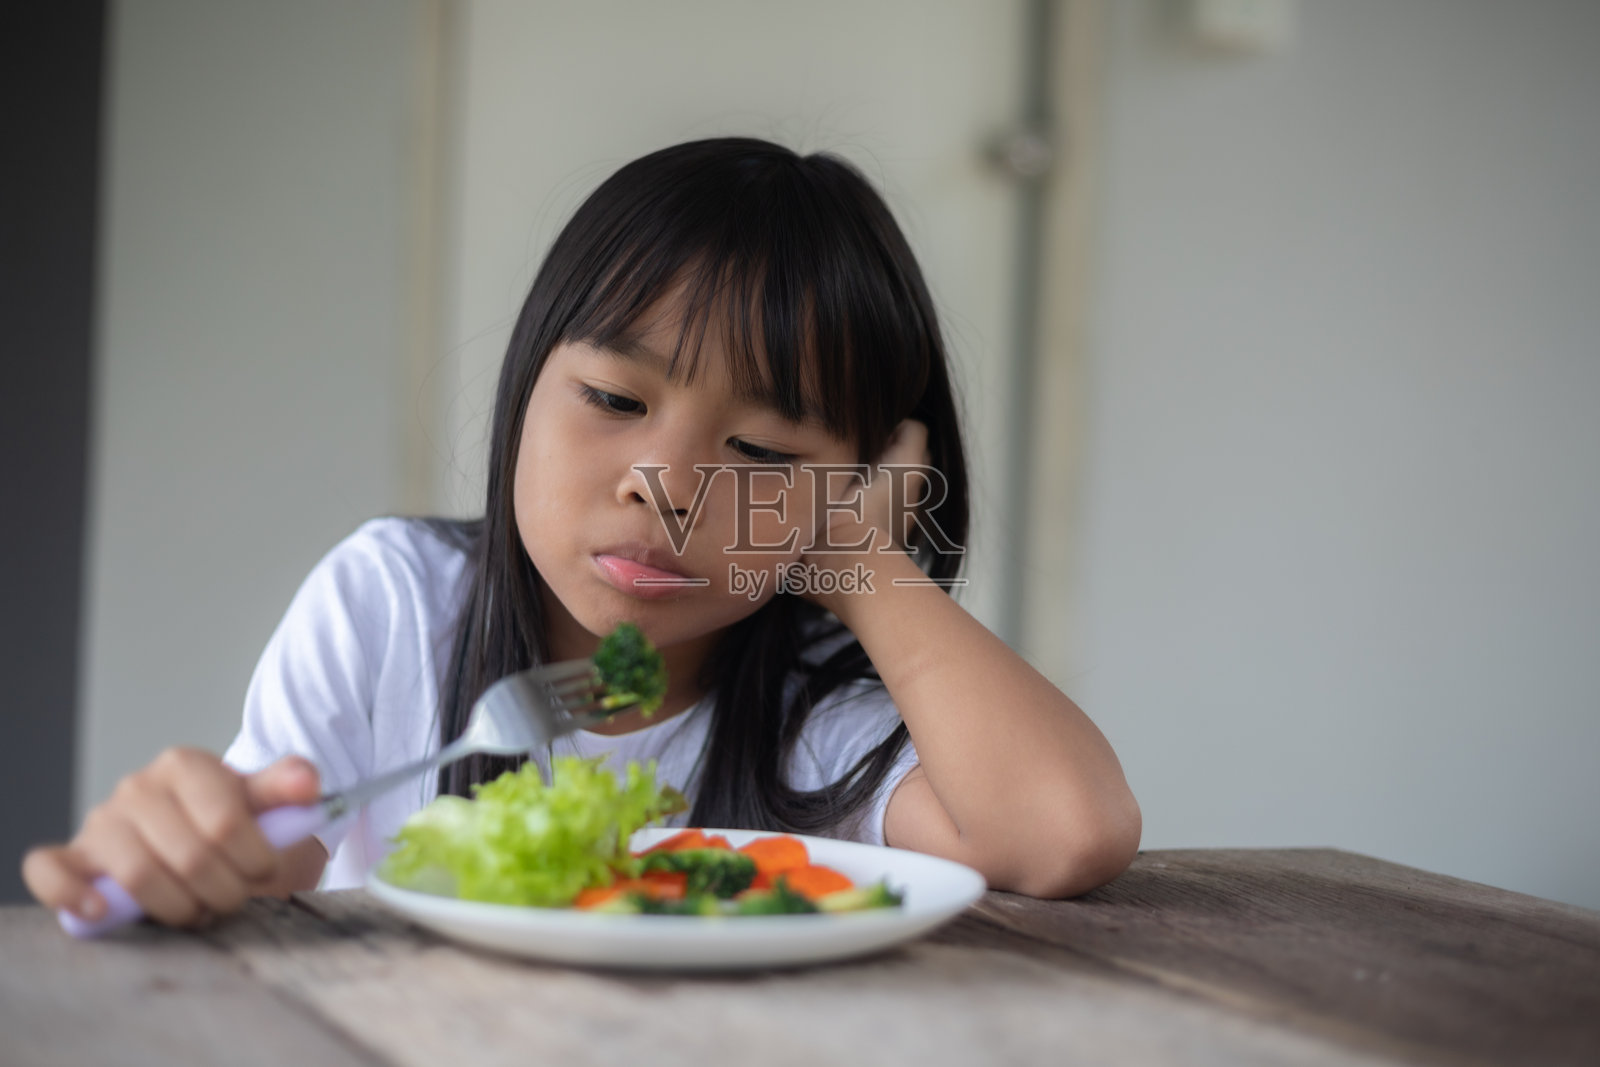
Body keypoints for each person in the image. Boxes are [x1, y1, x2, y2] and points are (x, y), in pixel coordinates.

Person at [24, 138, 1140, 927]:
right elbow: (273, 860)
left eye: (762, 457)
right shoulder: (395, 604)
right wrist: (199, 848)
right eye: (614, 400)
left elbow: (1062, 830)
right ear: (526, 384)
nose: (667, 486)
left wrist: (861, 563)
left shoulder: (814, 714)